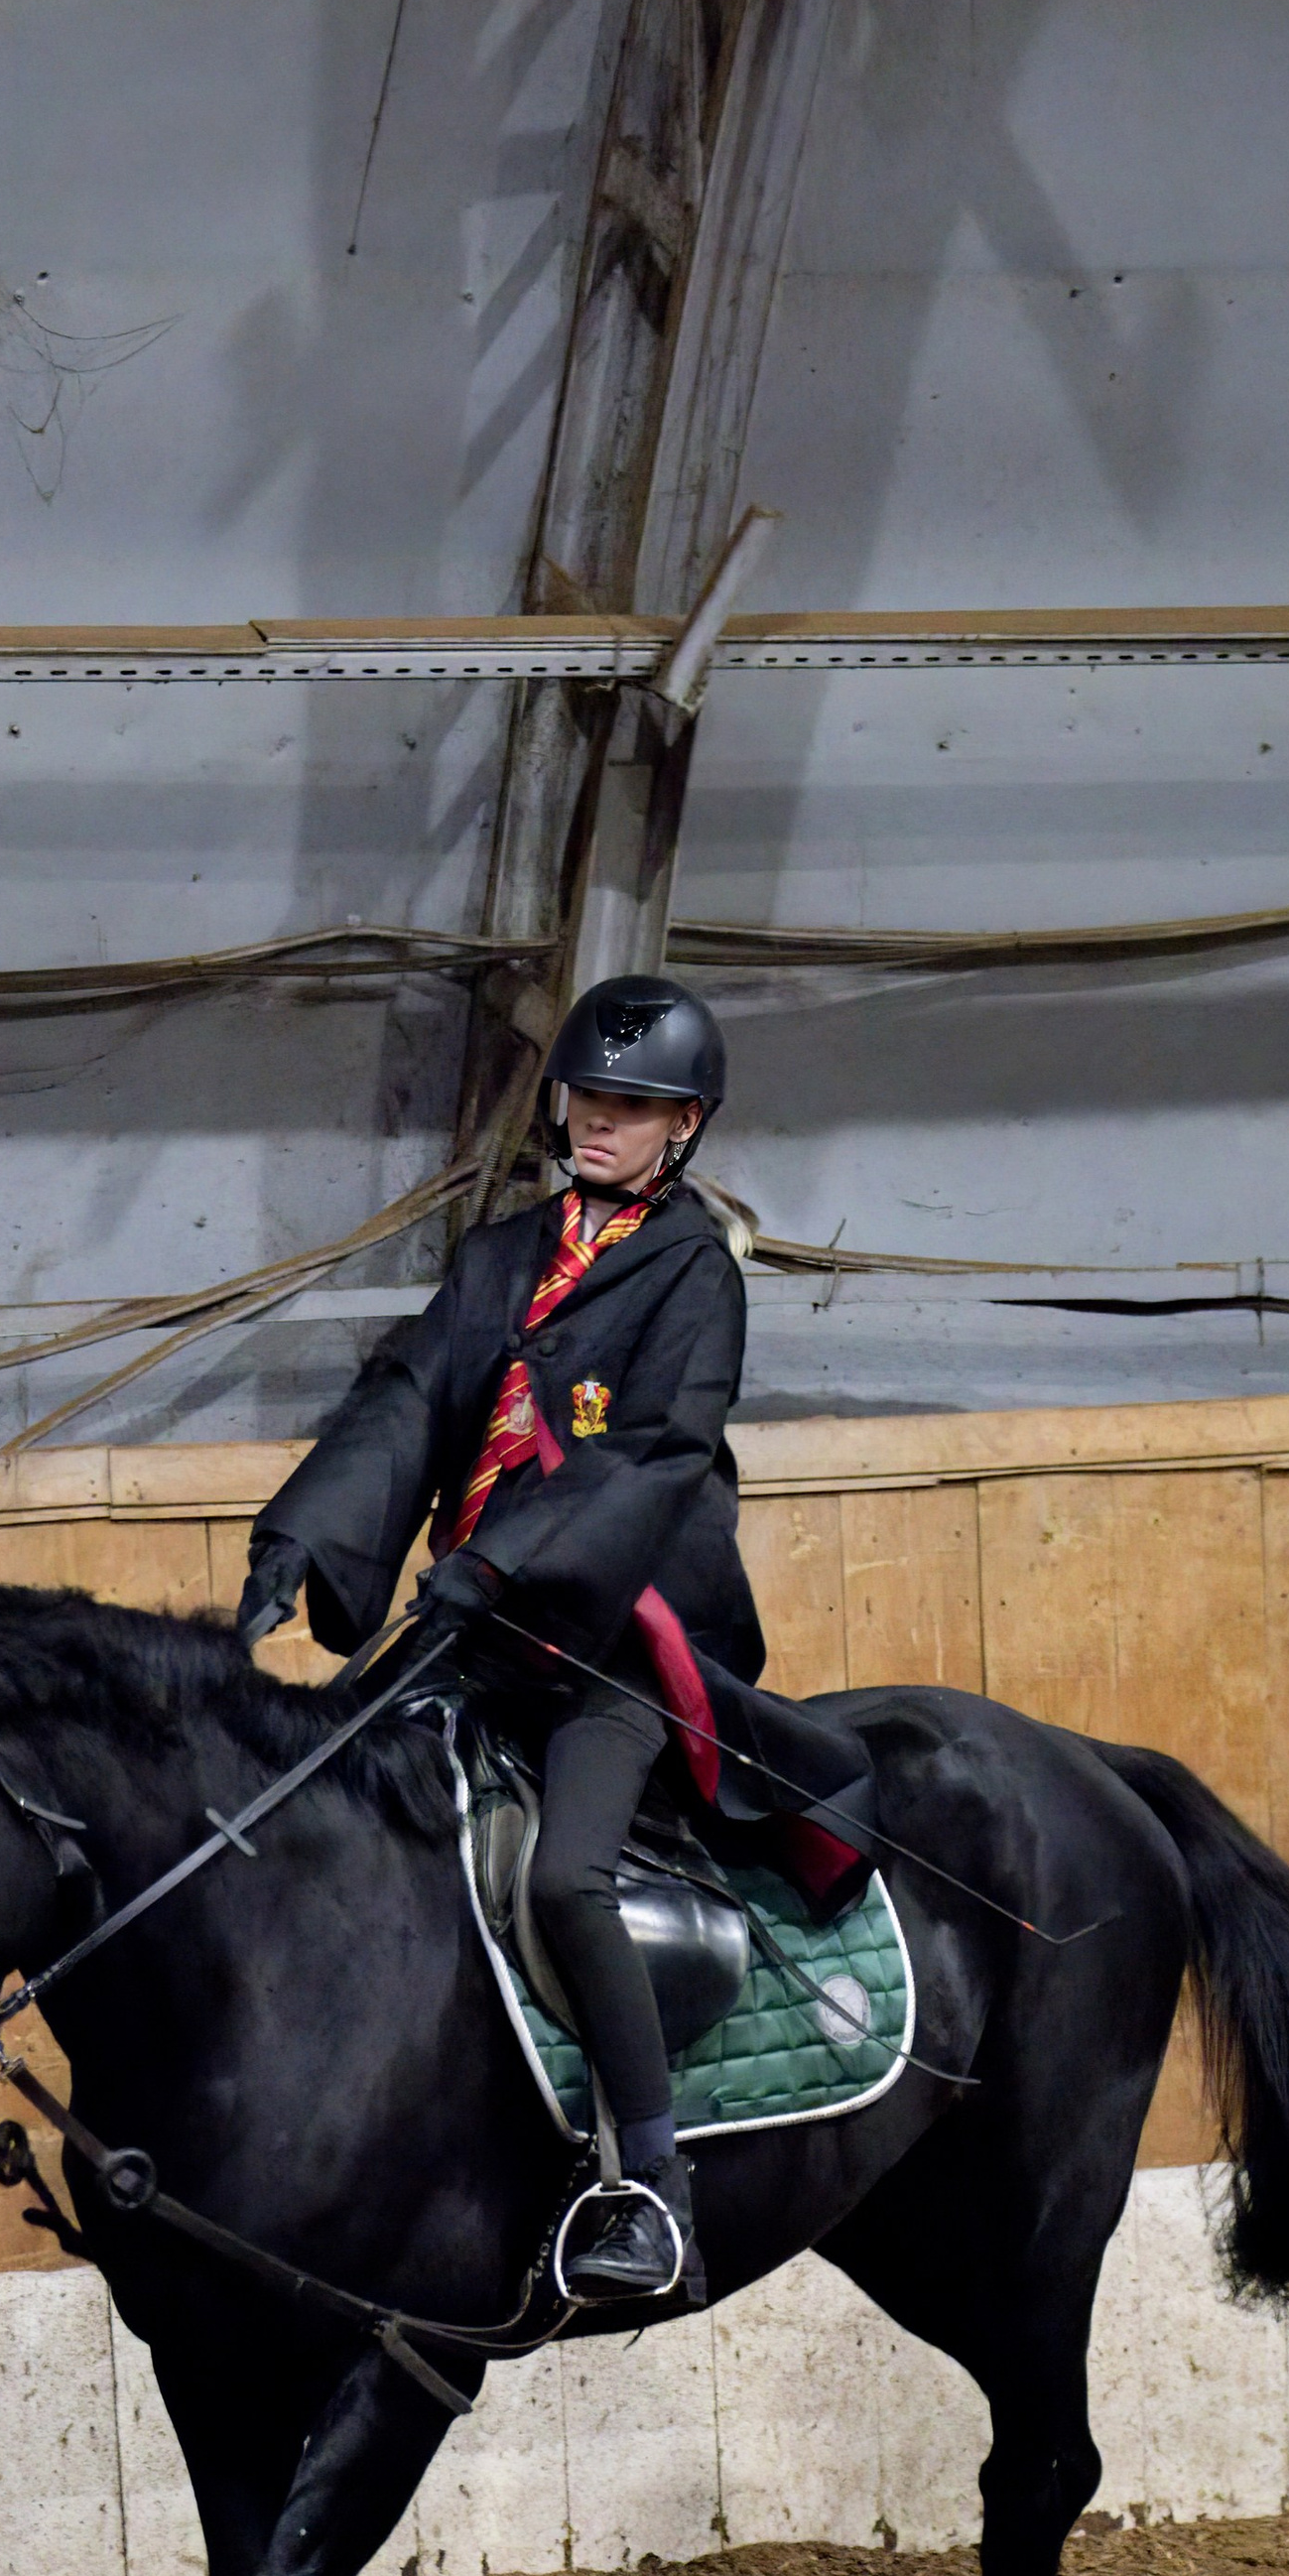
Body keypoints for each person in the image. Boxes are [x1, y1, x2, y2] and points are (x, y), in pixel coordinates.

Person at [235, 972, 873, 2308]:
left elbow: (656, 1455)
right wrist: (302, 1535)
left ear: (683, 1126)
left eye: (631, 1107)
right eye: (588, 1096)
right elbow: (411, 1394)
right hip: (469, 1624)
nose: (599, 1121)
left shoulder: (692, 1273)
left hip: (605, 1642)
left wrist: (506, 1561)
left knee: (571, 1878)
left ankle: (653, 2188)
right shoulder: (502, 1258)